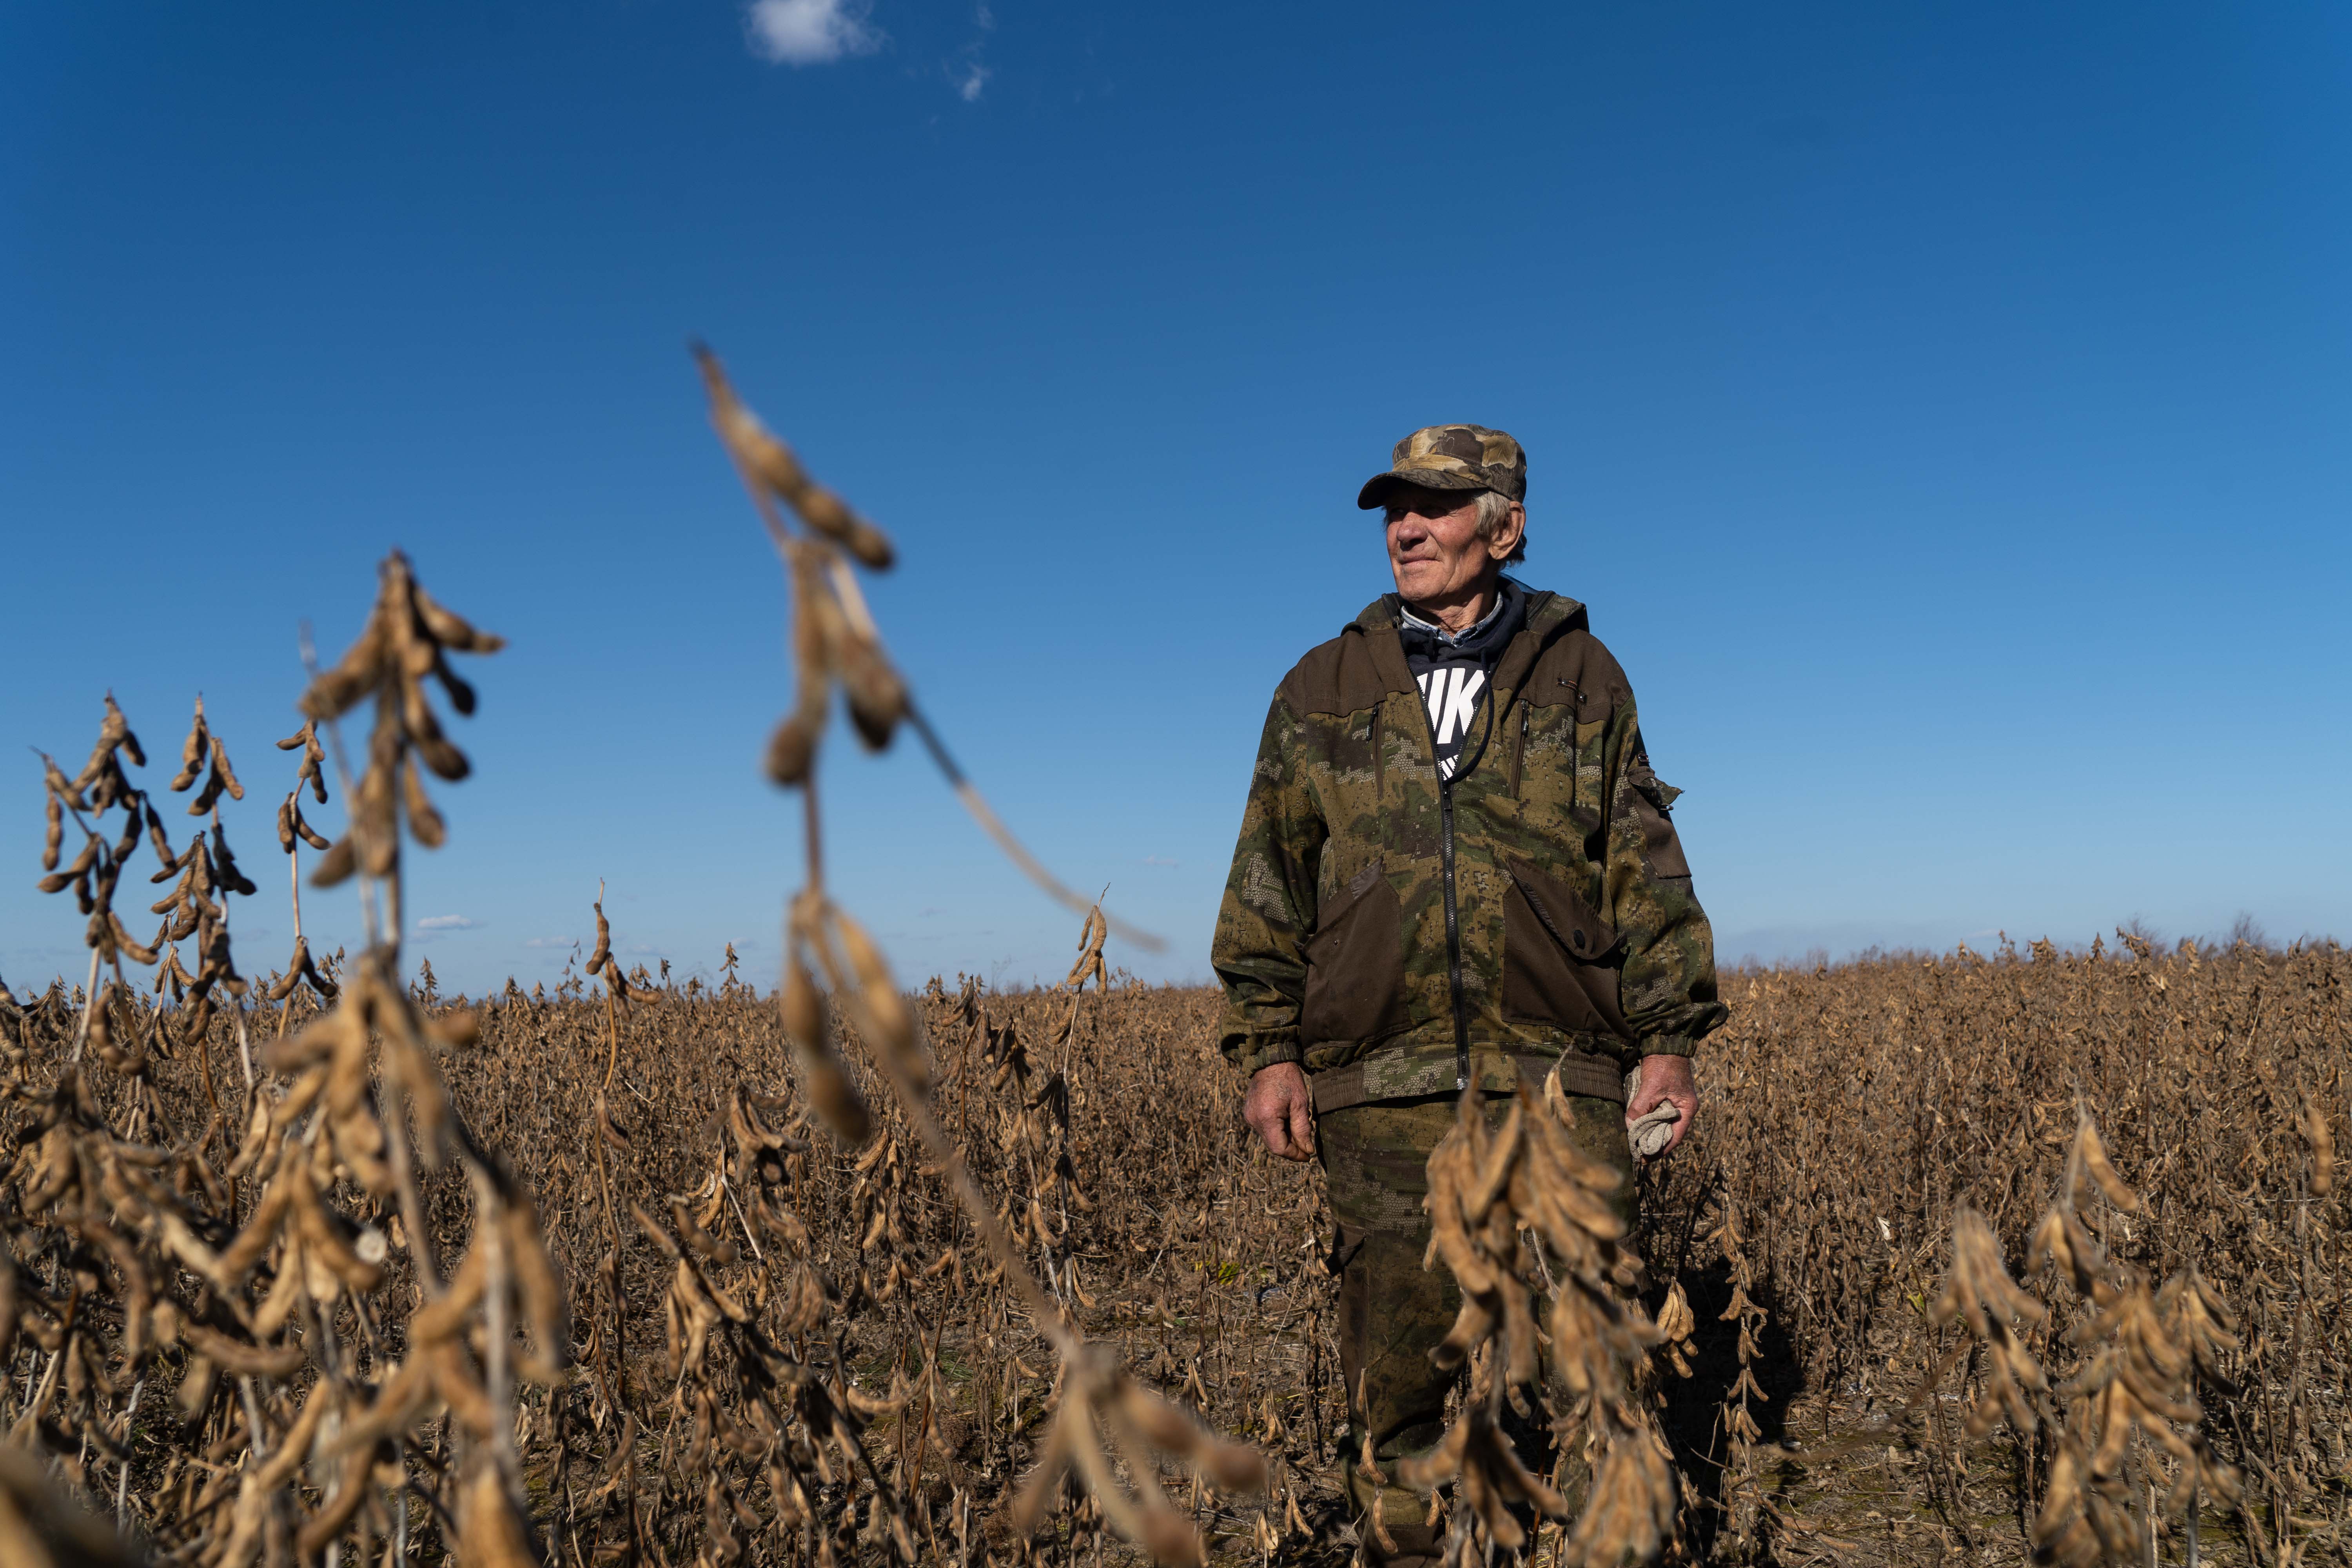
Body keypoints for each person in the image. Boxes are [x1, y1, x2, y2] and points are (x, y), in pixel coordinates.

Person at [1211, 425, 1726, 1563]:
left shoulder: (1584, 674)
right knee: (1393, 1384)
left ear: (1507, 525)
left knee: (1595, 1361)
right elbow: (1268, 880)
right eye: (1396, 507)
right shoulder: (1321, 686)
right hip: (1381, 1091)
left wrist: (1670, 1040)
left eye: (1438, 506)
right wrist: (1270, 1049)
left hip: (1562, 1084)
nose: (1407, 527)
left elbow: (1641, 863)